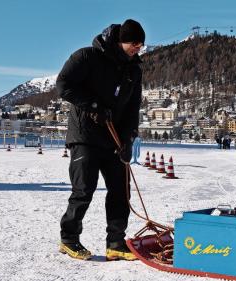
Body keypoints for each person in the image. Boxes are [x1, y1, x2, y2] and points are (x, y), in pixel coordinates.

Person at [57, 19, 145, 261]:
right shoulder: (87, 57)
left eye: (141, 45)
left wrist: (128, 139)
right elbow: (63, 85)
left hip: (114, 137)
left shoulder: (133, 70)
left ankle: (116, 242)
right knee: (84, 188)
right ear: (120, 41)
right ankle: (69, 238)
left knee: (120, 189)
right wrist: (93, 105)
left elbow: (133, 107)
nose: (138, 48)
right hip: (85, 135)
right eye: (134, 43)